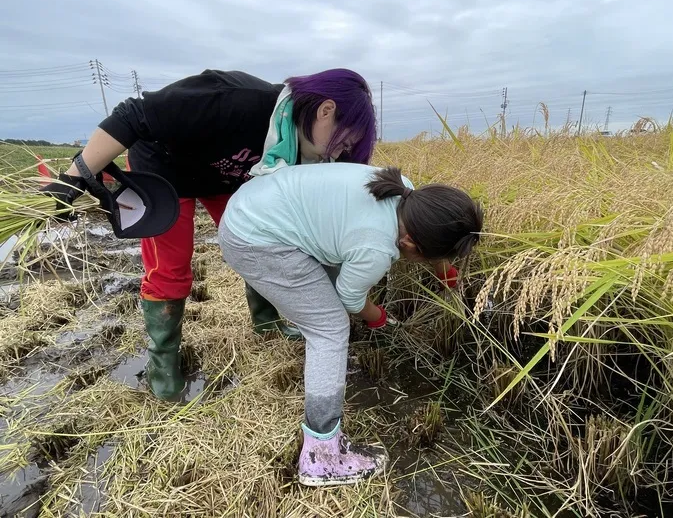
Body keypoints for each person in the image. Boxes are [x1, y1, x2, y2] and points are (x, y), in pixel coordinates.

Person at [40, 68, 377, 401]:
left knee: (262, 241)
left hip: (224, 178)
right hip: (165, 169)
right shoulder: (236, 99)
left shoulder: (290, 149)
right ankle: (163, 364)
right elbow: (132, 114)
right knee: (170, 268)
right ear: (326, 110)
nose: (335, 153)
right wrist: (75, 176)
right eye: (341, 141)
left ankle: (265, 321)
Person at [218, 162, 483, 487]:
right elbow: (350, 298)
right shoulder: (376, 246)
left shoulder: (403, 189)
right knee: (330, 328)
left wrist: (445, 269)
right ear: (411, 244)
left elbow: (423, 233)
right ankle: (321, 455)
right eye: (429, 257)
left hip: (257, 203)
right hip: (255, 239)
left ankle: (323, 371)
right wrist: (381, 319)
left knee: (323, 306)